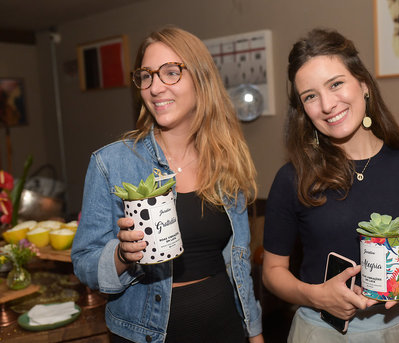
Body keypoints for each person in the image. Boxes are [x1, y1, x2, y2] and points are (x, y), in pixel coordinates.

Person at [71, 26, 264, 343]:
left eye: (170, 72)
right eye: (146, 76)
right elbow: (84, 263)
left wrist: (254, 334)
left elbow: (239, 264)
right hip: (148, 333)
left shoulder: (226, 160)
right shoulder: (112, 163)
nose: (155, 87)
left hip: (225, 326)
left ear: (201, 80)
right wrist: (122, 255)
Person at [262, 28, 399, 342]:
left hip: (394, 331)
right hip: (319, 331)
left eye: (336, 84)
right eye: (310, 96)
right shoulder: (293, 178)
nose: (327, 104)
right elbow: (272, 272)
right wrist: (315, 295)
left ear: (363, 84)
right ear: (303, 110)